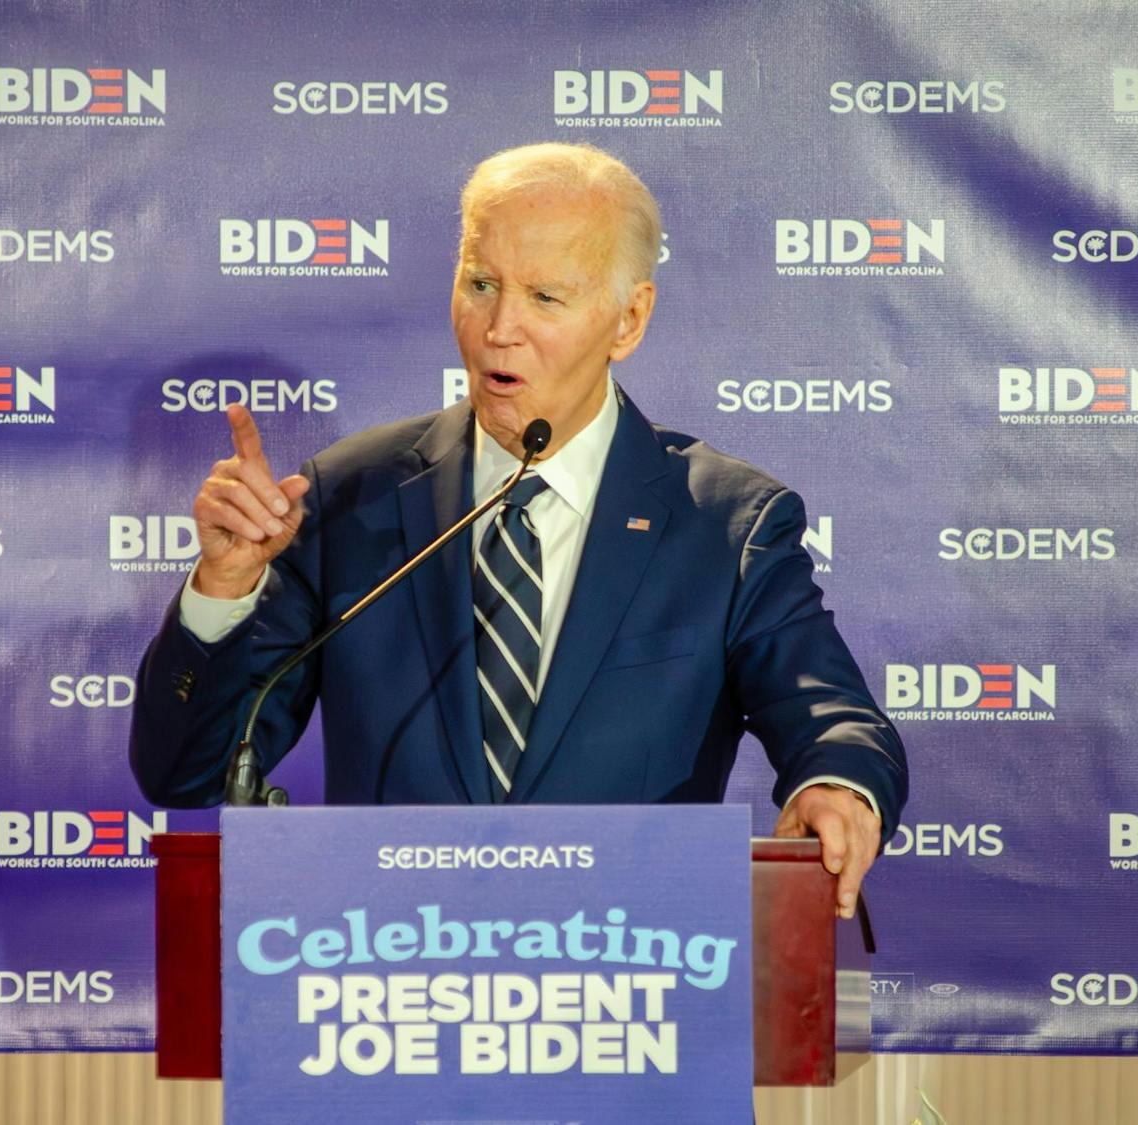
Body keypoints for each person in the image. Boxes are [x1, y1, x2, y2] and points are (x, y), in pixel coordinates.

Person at [130, 142, 907, 919]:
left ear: (628, 319)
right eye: (480, 284)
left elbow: (831, 715)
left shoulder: (725, 524)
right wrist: (223, 591)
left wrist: (836, 787)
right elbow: (187, 774)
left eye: (544, 297)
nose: (500, 327)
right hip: (386, 983)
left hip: (631, 986)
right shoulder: (351, 498)